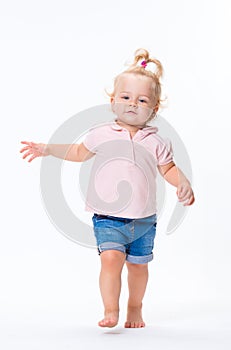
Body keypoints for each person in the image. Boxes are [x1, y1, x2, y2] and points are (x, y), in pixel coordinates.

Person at [20, 48, 195, 329]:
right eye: (125, 98)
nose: (132, 104)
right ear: (113, 101)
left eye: (142, 100)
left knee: (138, 267)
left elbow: (169, 169)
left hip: (144, 218)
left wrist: (183, 183)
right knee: (111, 260)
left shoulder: (157, 141)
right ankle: (110, 309)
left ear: (154, 108)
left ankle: (135, 307)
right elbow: (79, 152)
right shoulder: (101, 133)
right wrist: (49, 149)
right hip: (108, 217)